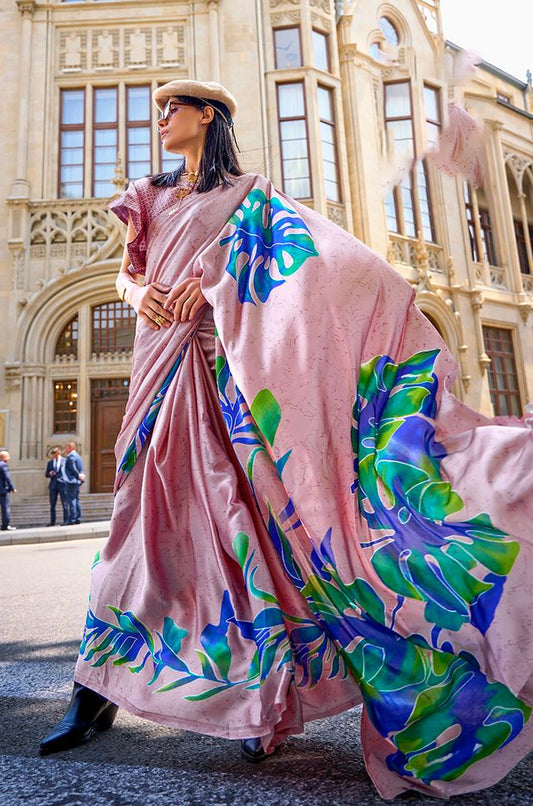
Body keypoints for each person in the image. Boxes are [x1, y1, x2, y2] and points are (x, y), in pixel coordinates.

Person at [40, 79, 533, 800]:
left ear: (208, 114)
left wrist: (211, 282)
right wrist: (133, 293)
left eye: (171, 109)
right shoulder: (147, 194)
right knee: (137, 524)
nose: (160, 121)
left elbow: (309, 269)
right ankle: (97, 692)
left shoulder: (250, 196)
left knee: (247, 531)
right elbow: (128, 268)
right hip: (156, 361)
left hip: (218, 367)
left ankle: (247, 698)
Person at [45, 446, 68, 526]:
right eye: (53, 456)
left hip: (62, 483)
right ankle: (52, 521)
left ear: (59, 453)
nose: (54, 457)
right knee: (52, 504)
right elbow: (46, 474)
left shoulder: (65, 461)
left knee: (64, 503)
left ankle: (66, 520)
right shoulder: (50, 463)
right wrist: (50, 473)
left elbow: (68, 471)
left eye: (55, 455)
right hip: (53, 485)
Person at [64, 441, 85, 524]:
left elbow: (73, 468)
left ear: (71, 448)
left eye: (67, 447)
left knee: (72, 499)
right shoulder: (78, 456)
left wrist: (78, 476)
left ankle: (73, 518)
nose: (66, 449)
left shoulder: (71, 456)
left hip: (72, 481)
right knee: (76, 499)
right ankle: (78, 518)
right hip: (77, 481)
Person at [0, 450, 17, 531]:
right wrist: (12, 487)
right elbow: (7, 478)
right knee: (5, 508)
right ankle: (5, 525)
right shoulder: (4, 465)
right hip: (2, 490)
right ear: (4, 457)